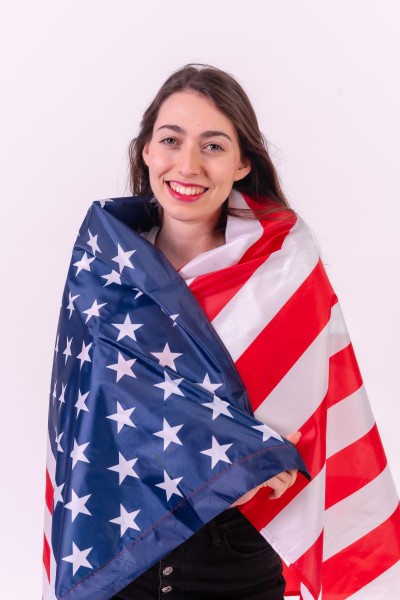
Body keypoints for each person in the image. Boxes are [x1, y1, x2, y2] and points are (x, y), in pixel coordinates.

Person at [43, 65, 400, 600]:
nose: (188, 164)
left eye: (213, 146)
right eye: (171, 140)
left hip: (231, 555)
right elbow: (88, 424)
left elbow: (307, 425)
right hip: (117, 549)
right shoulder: (104, 267)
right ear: (146, 151)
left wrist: (257, 467)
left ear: (242, 163)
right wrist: (222, 466)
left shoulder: (285, 273)